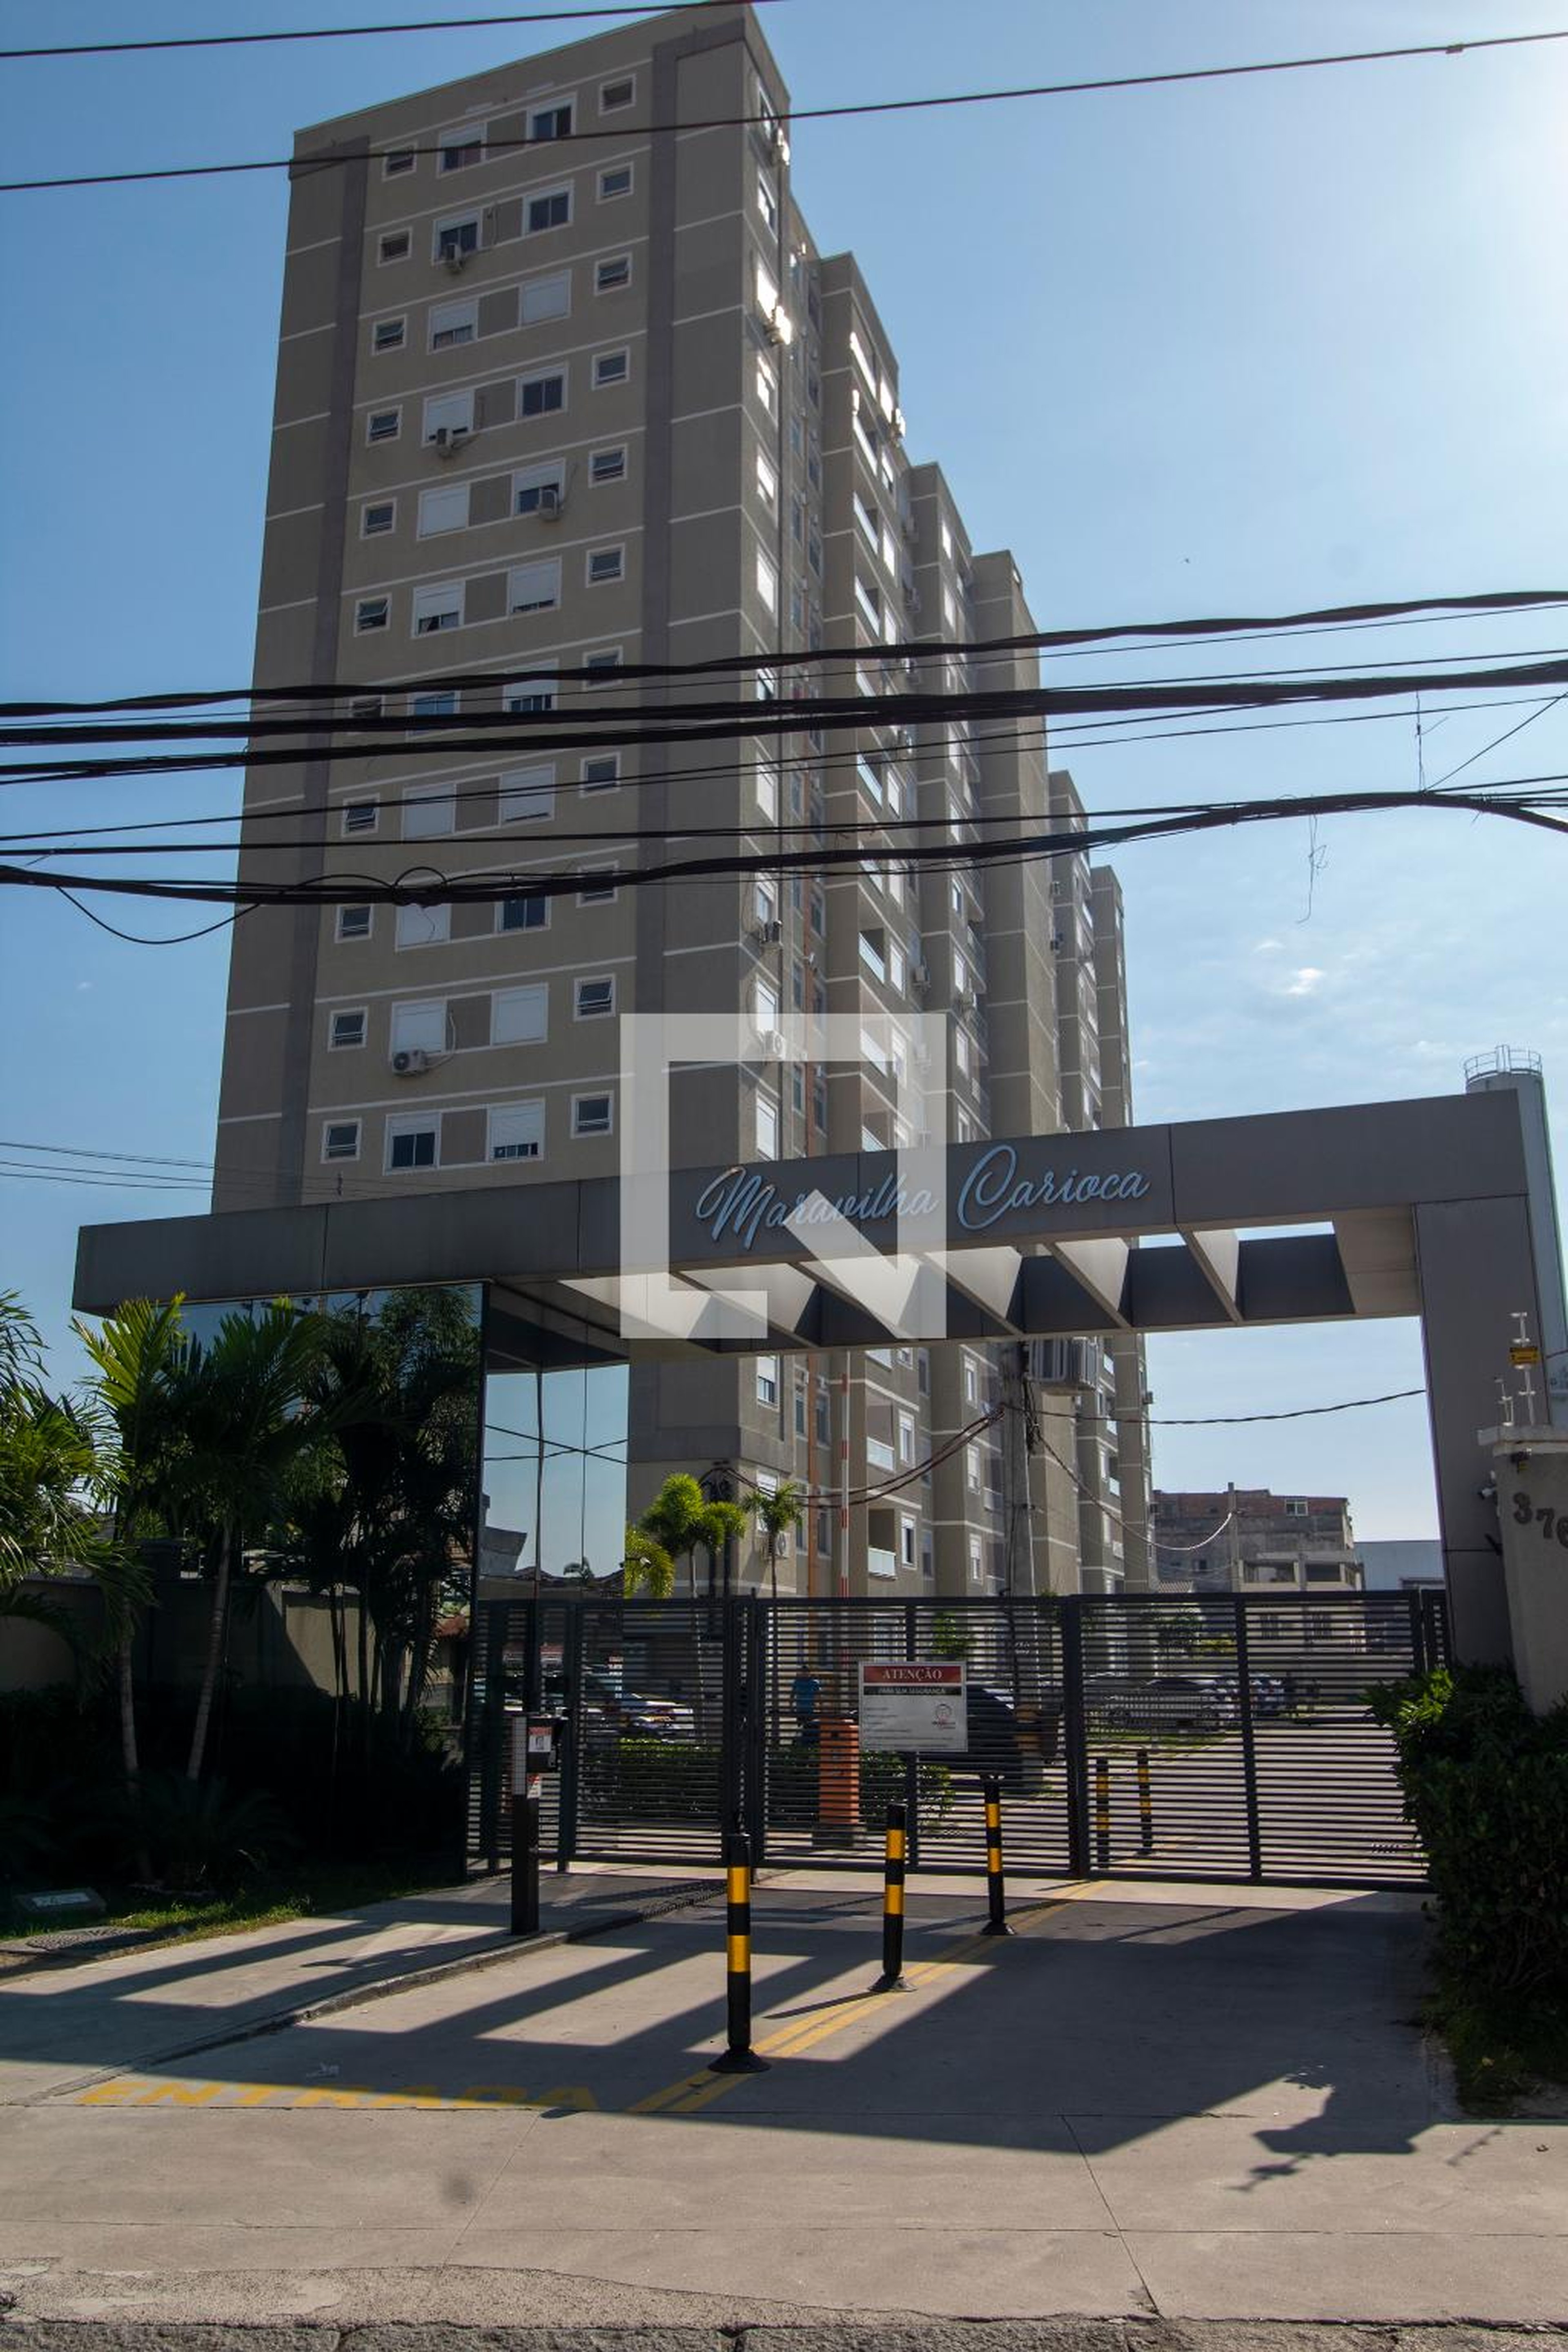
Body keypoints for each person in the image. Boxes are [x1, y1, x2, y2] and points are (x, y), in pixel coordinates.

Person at [789, 1666, 822, 1745]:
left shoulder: (815, 1683)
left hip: (810, 1711)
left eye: (806, 1672)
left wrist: (820, 1708)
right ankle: (803, 1746)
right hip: (800, 1710)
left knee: (809, 1730)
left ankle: (806, 1746)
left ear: (810, 1673)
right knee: (802, 1729)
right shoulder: (797, 1682)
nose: (805, 1674)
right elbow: (792, 1695)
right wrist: (791, 1707)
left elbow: (819, 1697)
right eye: (803, 1672)